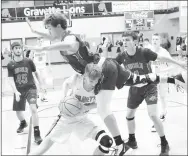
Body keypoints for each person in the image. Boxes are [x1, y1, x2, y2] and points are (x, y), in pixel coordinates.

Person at [24, 13, 186, 155]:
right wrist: (35, 32)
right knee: (138, 80)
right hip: (107, 65)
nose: (49, 33)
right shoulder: (61, 36)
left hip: (102, 70)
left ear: (59, 26)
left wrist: (44, 48)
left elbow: (71, 45)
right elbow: (53, 38)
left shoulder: (69, 37)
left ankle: (121, 145)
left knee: (103, 109)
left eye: (49, 29)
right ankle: (174, 78)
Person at [115, 31, 187, 155]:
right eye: (124, 40)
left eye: (128, 40)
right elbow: (112, 67)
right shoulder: (121, 56)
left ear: (135, 41)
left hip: (149, 86)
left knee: (153, 115)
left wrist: (178, 63)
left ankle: (164, 143)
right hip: (135, 88)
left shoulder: (144, 52)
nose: (124, 42)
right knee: (129, 115)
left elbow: (162, 58)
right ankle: (132, 140)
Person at [29, 63, 121, 155]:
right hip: (66, 119)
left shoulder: (99, 86)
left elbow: (100, 104)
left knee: (106, 141)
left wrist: (86, 107)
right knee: (43, 147)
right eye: (91, 81)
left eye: (96, 81)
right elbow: (66, 84)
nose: (94, 83)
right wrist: (64, 96)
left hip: (82, 120)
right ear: (85, 76)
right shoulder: (76, 79)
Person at [7, 42, 43, 144]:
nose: (18, 50)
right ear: (12, 50)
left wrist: (42, 85)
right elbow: (10, 80)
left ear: (22, 50)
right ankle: (23, 123)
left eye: (19, 48)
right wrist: (15, 91)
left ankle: (37, 133)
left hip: (30, 89)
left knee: (33, 109)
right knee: (18, 112)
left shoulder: (28, 61)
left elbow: (36, 73)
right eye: (16, 48)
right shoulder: (10, 64)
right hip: (18, 90)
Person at [30, 38, 51, 102]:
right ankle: (37, 93)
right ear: (37, 41)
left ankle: (43, 96)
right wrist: (30, 66)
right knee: (37, 81)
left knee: (44, 81)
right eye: (39, 41)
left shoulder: (45, 48)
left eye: (42, 41)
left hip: (43, 66)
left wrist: (49, 66)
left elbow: (48, 57)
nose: (40, 42)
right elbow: (30, 57)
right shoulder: (34, 48)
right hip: (36, 67)